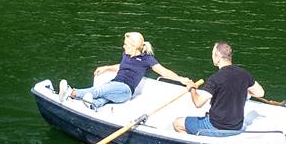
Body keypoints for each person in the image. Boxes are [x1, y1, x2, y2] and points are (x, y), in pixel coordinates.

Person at [60, 32, 192, 109]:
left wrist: (181, 79)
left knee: (102, 90)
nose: (123, 46)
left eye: (126, 44)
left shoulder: (147, 59)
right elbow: (122, 66)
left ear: (134, 46)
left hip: (125, 90)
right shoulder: (126, 55)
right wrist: (107, 67)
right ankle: (93, 105)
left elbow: (163, 72)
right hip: (115, 85)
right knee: (104, 96)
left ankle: (71, 92)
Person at [174, 41, 264, 137]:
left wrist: (192, 88)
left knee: (177, 123)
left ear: (217, 57)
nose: (212, 57)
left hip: (217, 126)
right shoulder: (244, 74)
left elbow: (198, 103)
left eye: (212, 54)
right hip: (237, 126)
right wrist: (242, 89)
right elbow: (260, 93)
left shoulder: (215, 78)